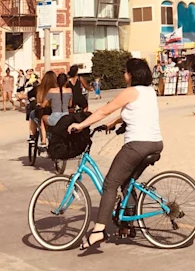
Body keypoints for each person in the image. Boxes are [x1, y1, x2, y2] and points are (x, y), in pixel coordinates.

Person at [68, 58, 163, 250]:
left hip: (137, 145)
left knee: (110, 184)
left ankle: (98, 231)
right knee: (127, 182)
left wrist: (81, 125)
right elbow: (134, 112)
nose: (124, 75)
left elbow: (104, 110)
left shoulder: (130, 91)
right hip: (155, 144)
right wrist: (113, 124)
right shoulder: (149, 91)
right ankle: (128, 225)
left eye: (125, 72)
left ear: (131, 74)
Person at [38, 72, 72, 147]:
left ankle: (43, 141)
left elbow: (43, 105)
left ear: (57, 81)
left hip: (55, 118)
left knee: (43, 119)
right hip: (66, 118)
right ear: (66, 81)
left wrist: (40, 104)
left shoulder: (51, 90)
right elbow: (70, 104)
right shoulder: (69, 90)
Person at [28, 71, 56, 148]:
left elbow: (29, 95)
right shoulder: (57, 89)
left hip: (42, 113)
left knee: (32, 114)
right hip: (55, 112)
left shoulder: (39, 88)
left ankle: (32, 135)